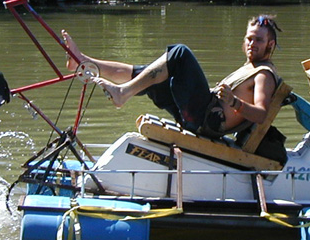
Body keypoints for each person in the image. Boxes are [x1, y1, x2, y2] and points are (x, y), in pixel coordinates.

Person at [61, 15, 285, 161]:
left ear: (270, 45)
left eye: (258, 40)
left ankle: (122, 93)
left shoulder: (264, 74)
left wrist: (234, 102)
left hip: (205, 120)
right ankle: (83, 62)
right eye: (249, 39)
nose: (251, 44)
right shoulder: (252, 66)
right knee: (149, 74)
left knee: (180, 54)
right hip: (201, 117)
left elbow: (261, 114)